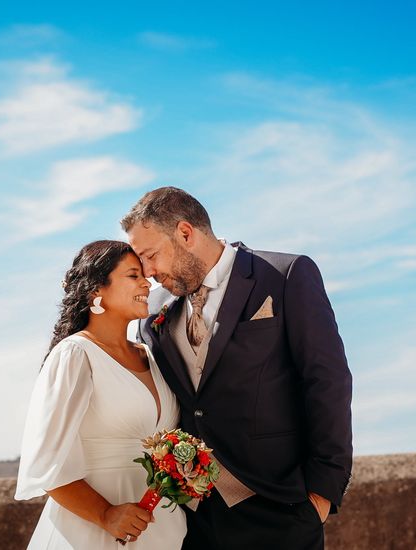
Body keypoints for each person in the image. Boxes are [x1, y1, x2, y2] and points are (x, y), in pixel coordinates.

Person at [122, 187, 353, 550]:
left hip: (280, 507)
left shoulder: (284, 275)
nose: (148, 273)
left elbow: (327, 381)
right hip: (193, 519)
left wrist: (321, 495)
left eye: (150, 256)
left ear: (186, 233)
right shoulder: (153, 317)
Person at [14, 240, 187, 549]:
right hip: (93, 532)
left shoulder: (150, 353)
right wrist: (105, 514)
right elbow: (45, 464)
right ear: (97, 290)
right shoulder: (75, 355)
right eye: (133, 275)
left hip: (160, 528)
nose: (147, 283)